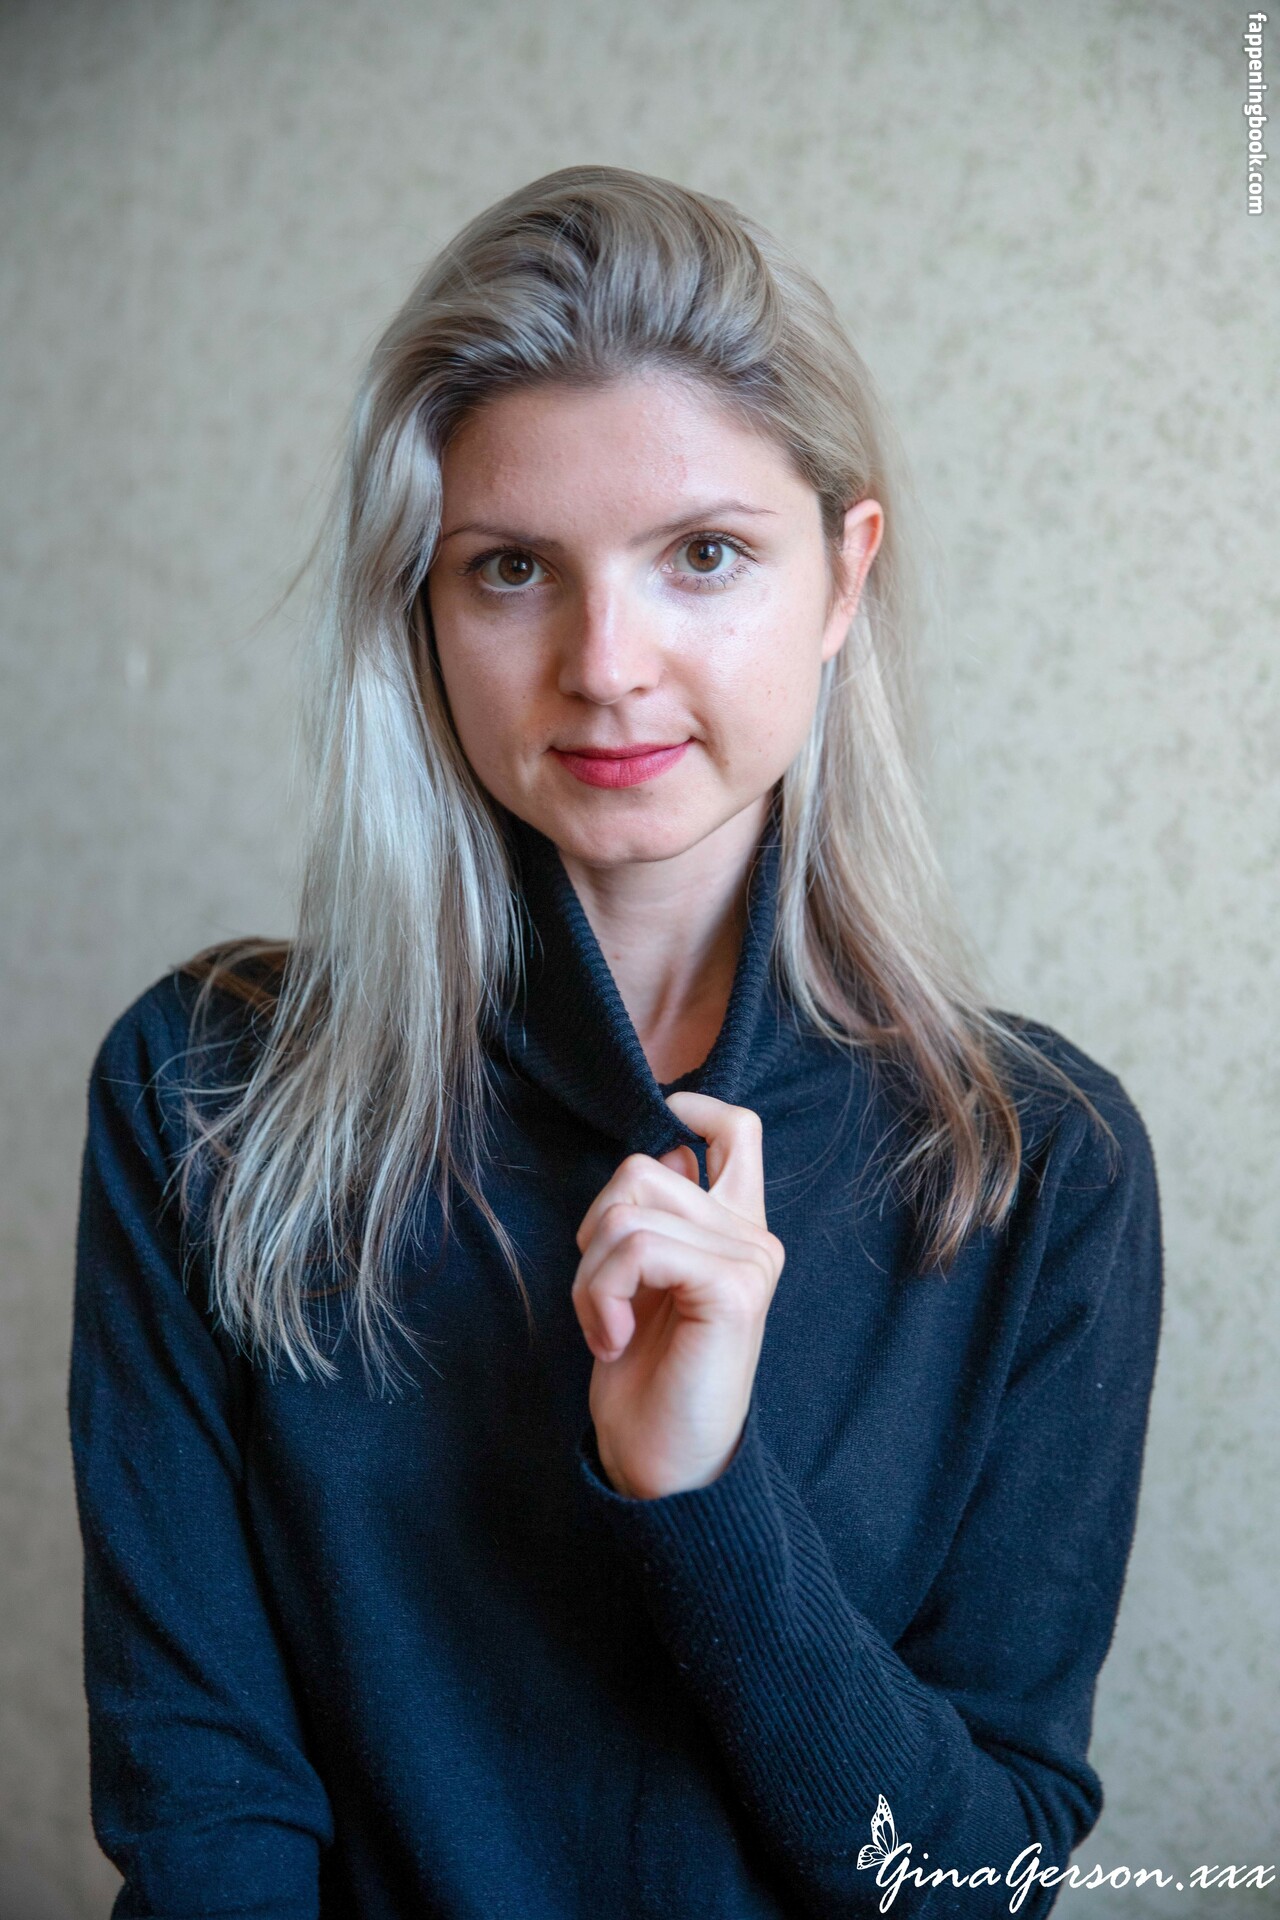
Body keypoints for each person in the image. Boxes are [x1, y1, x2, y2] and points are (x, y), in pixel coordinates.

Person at [68, 165, 1163, 1919]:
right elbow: (207, 1812)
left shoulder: (1034, 1165)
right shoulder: (202, 1093)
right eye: (511, 570)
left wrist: (705, 1494)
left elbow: (976, 1880)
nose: (607, 664)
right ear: (421, 612)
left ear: (842, 578)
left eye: (705, 555)